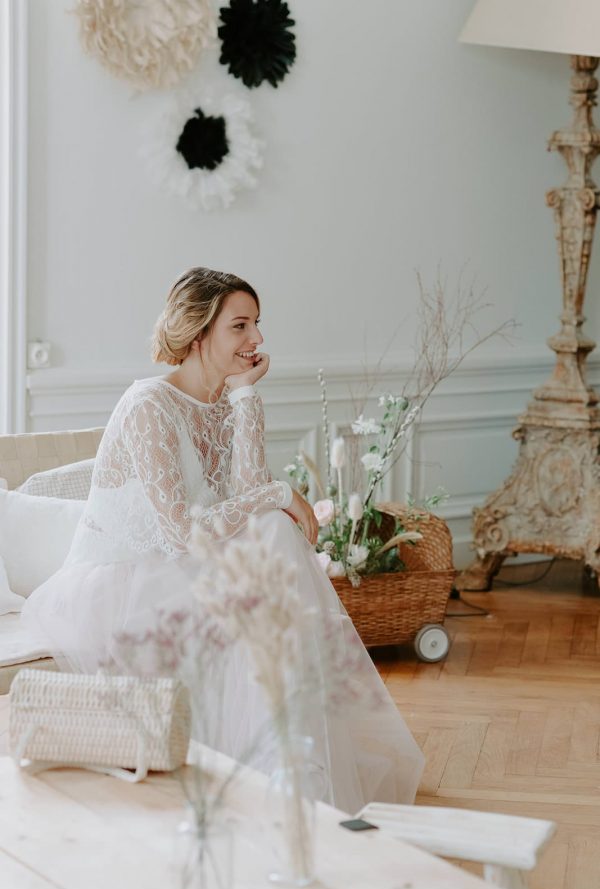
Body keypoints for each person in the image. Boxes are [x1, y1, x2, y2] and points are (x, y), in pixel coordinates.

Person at [21, 267, 424, 813]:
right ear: (198, 332)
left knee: (272, 538)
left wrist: (243, 398)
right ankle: (280, 778)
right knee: (271, 549)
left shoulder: (223, 400)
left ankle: (290, 774)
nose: (257, 340)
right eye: (240, 326)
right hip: (129, 584)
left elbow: (247, 494)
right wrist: (281, 493)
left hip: (187, 567)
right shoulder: (148, 407)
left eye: (257, 324)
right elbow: (182, 533)